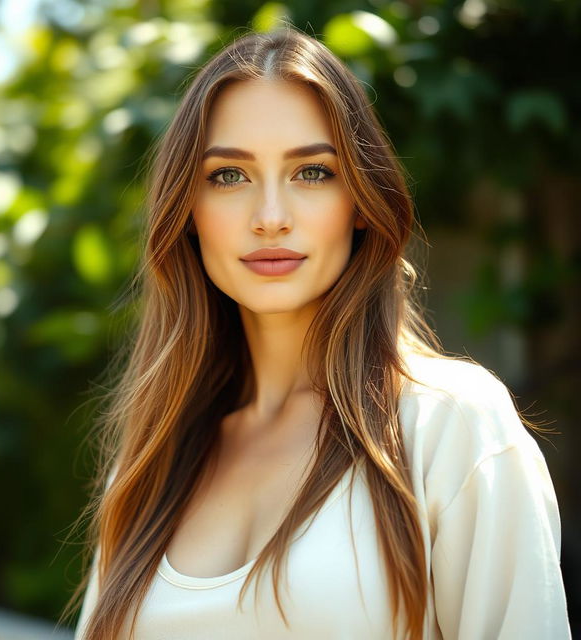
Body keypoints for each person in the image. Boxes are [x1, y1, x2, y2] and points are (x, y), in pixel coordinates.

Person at [67, 27, 570, 640]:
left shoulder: (448, 424)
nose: (270, 217)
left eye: (312, 172)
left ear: (360, 200)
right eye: (229, 175)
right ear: (188, 211)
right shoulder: (153, 455)